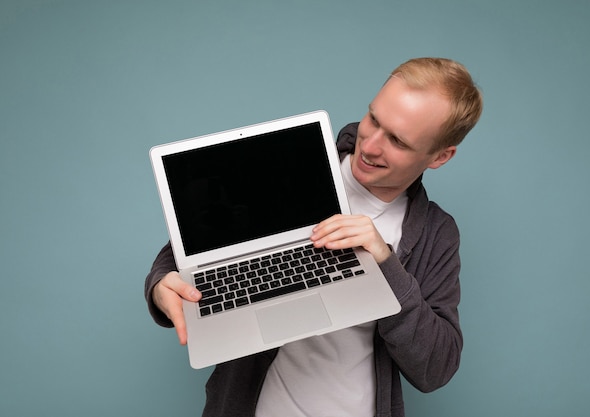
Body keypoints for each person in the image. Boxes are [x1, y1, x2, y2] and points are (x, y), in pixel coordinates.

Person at [145, 57, 483, 417]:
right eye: (373, 119)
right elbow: (191, 251)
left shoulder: (436, 233)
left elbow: (436, 368)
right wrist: (160, 284)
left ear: (440, 156)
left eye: (397, 141)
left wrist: (385, 262)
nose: (369, 147)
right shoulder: (292, 168)